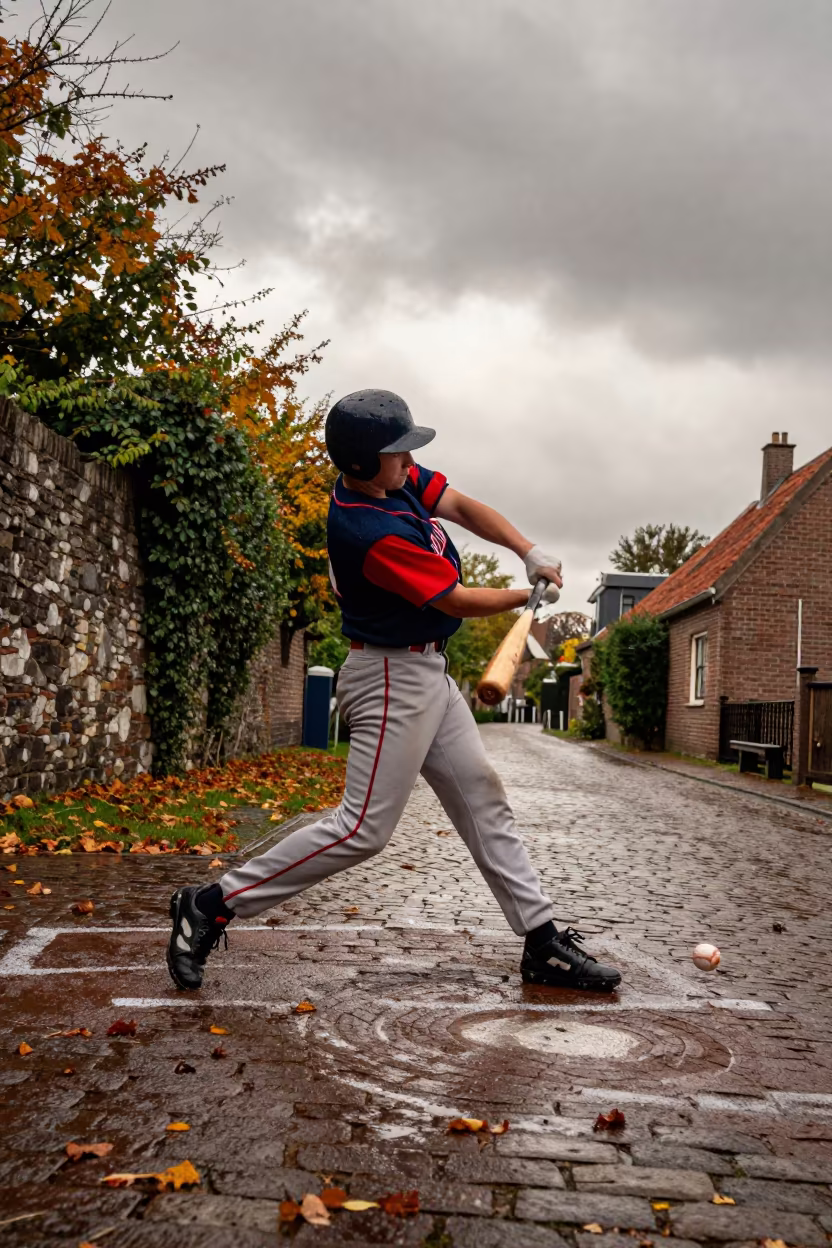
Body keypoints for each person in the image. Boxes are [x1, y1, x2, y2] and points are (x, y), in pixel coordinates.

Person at [166, 390, 621, 994]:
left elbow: (456, 503)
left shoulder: (392, 481)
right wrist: (524, 597)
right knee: (362, 831)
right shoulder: (365, 529)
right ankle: (211, 903)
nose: (410, 463)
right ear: (361, 463)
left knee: (483, 797)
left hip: (428, 671)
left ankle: (542, 943)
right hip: (388, 679)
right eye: (398, 454)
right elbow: (453, 601)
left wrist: (525, 550)